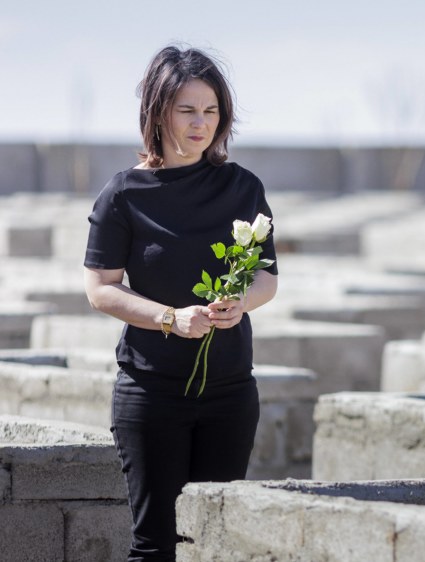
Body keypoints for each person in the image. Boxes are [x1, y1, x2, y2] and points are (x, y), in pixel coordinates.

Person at [83, 45, 278, 561]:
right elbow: (100, 288)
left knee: (212, 545)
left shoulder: (242, 187)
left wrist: (239, 303)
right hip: (151, 394)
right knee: (155, 547)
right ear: (157, 110)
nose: (201, 123)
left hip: (231, 394)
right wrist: (169, 319)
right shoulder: (123, 194)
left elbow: (266, 278)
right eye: (187, 110)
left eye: (211, 111)